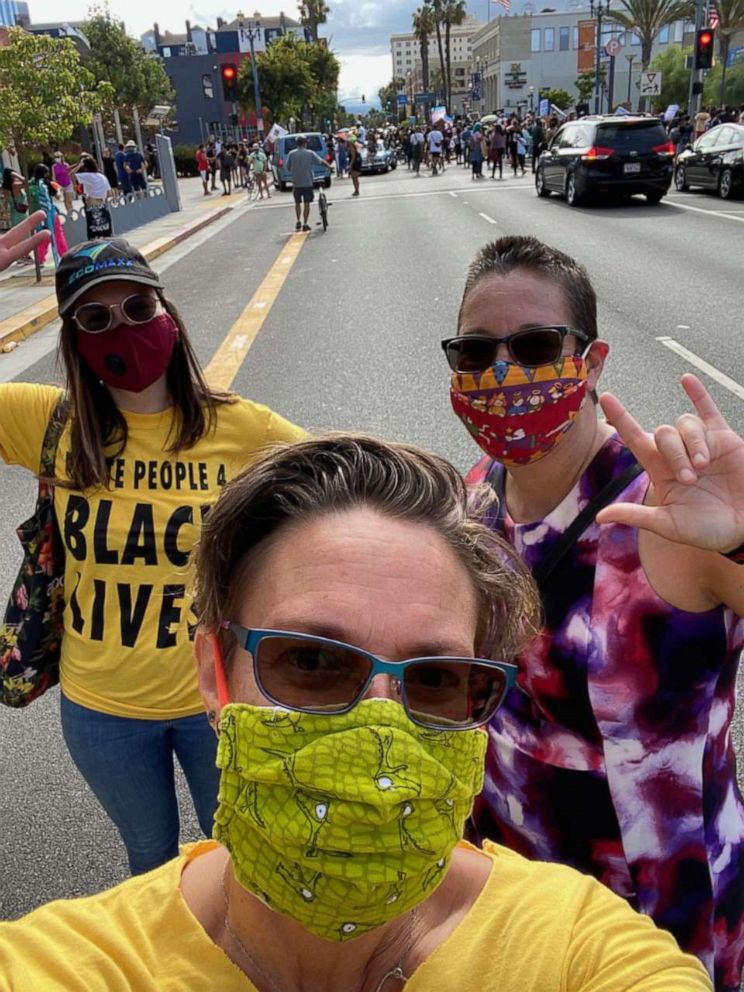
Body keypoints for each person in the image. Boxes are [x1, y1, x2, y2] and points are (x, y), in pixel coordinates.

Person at [0, 433, 713, 992]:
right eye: (310, 662)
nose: (379, 730)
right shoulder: (64, 967)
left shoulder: (574, 949)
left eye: (436, 678)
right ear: (214, 676)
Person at [444, 235, 744, 992]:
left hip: (656, 920)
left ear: (594, 360)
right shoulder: (475, 496)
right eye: (475, 353)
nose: (503, 372)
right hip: (511, 900)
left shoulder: (667, 511)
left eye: (537, 344)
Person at [0, 238, 303, 876]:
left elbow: (351, 488)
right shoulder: (48, 423)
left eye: (138, 307)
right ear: (74, 339)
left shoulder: (245, 429)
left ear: (168, 314)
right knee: (150, 858)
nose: (125, 329)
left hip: (217, 701)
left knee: (242, 857)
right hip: (101, 707)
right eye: (96, 318)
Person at [286, 134, 330, 229]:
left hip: (296, 182)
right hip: (307, 181)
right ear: (305, 143)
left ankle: (298, 221)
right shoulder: (310, 153)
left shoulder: (291, 154)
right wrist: (330, 167)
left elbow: (288, 167)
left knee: (297, 202)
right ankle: (305, 223)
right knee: (307, 203)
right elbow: (321, 161)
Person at [28, 164, 68, 266]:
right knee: (58, 234)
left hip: (37, 215)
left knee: (41, 237)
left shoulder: (31, 185)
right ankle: (64, 255)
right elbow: (57, 196)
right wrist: (58, 190)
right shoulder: (46, 183)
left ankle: (40, 259)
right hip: (50, 213)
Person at [0, 168, 31, 265]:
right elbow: (27, 182)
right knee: (25, 236)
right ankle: (24, 256)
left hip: (14, 214)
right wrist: (18, 175)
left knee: (19, 237)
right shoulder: (15, 186)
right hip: (21, 215)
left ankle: (22, 256)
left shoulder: (5, 188)